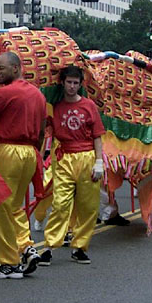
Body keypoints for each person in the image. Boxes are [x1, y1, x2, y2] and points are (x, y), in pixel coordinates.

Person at [0, 51, 46, 279]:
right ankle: (26, 247)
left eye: (1, 68)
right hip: (30, 152)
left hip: (9, 151)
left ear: (16, 68)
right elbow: (41, 131)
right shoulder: (38, 95)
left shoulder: (4, 93)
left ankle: (8, 263)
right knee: (15, 205)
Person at [38, 66, 105, 265]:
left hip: (87, 157)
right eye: (69, 82)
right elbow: (45, 132)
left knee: (88, 206)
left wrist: (99, 162)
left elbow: (97, 136)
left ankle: (79, 247)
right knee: (60, 204)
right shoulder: (54, 107)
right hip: (63, 157)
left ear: (80, 84)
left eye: (76, 83)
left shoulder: (89, 106)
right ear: (63, 83)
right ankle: (49, 247)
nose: (72, 86)